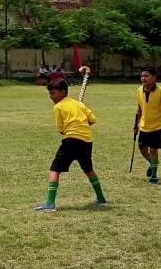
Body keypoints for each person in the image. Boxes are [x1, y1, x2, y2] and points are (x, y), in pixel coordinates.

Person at [33, 79, 107, 211]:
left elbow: (61, 129)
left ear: (63, 92)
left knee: (55, 170)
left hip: (71, 141)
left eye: (53, 93)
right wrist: (81, 125)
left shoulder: (58, 107)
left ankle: (49, 203)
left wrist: (70, 129)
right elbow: (92, 120)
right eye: (50, 94)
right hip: (86, 141)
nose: (51, 97)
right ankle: (101, 198)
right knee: (88, 170)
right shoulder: (80, 105)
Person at [134, 66, 161, 184]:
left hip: (157, 126)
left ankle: (154, 176)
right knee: (142, 149)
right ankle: (153, 163)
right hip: (143, 126)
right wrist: (136, 125)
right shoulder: (139, 90)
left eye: (146, 76)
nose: (143, 78)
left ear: (154, 77)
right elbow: (139, 109)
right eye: (142, 76)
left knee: (153, 150)